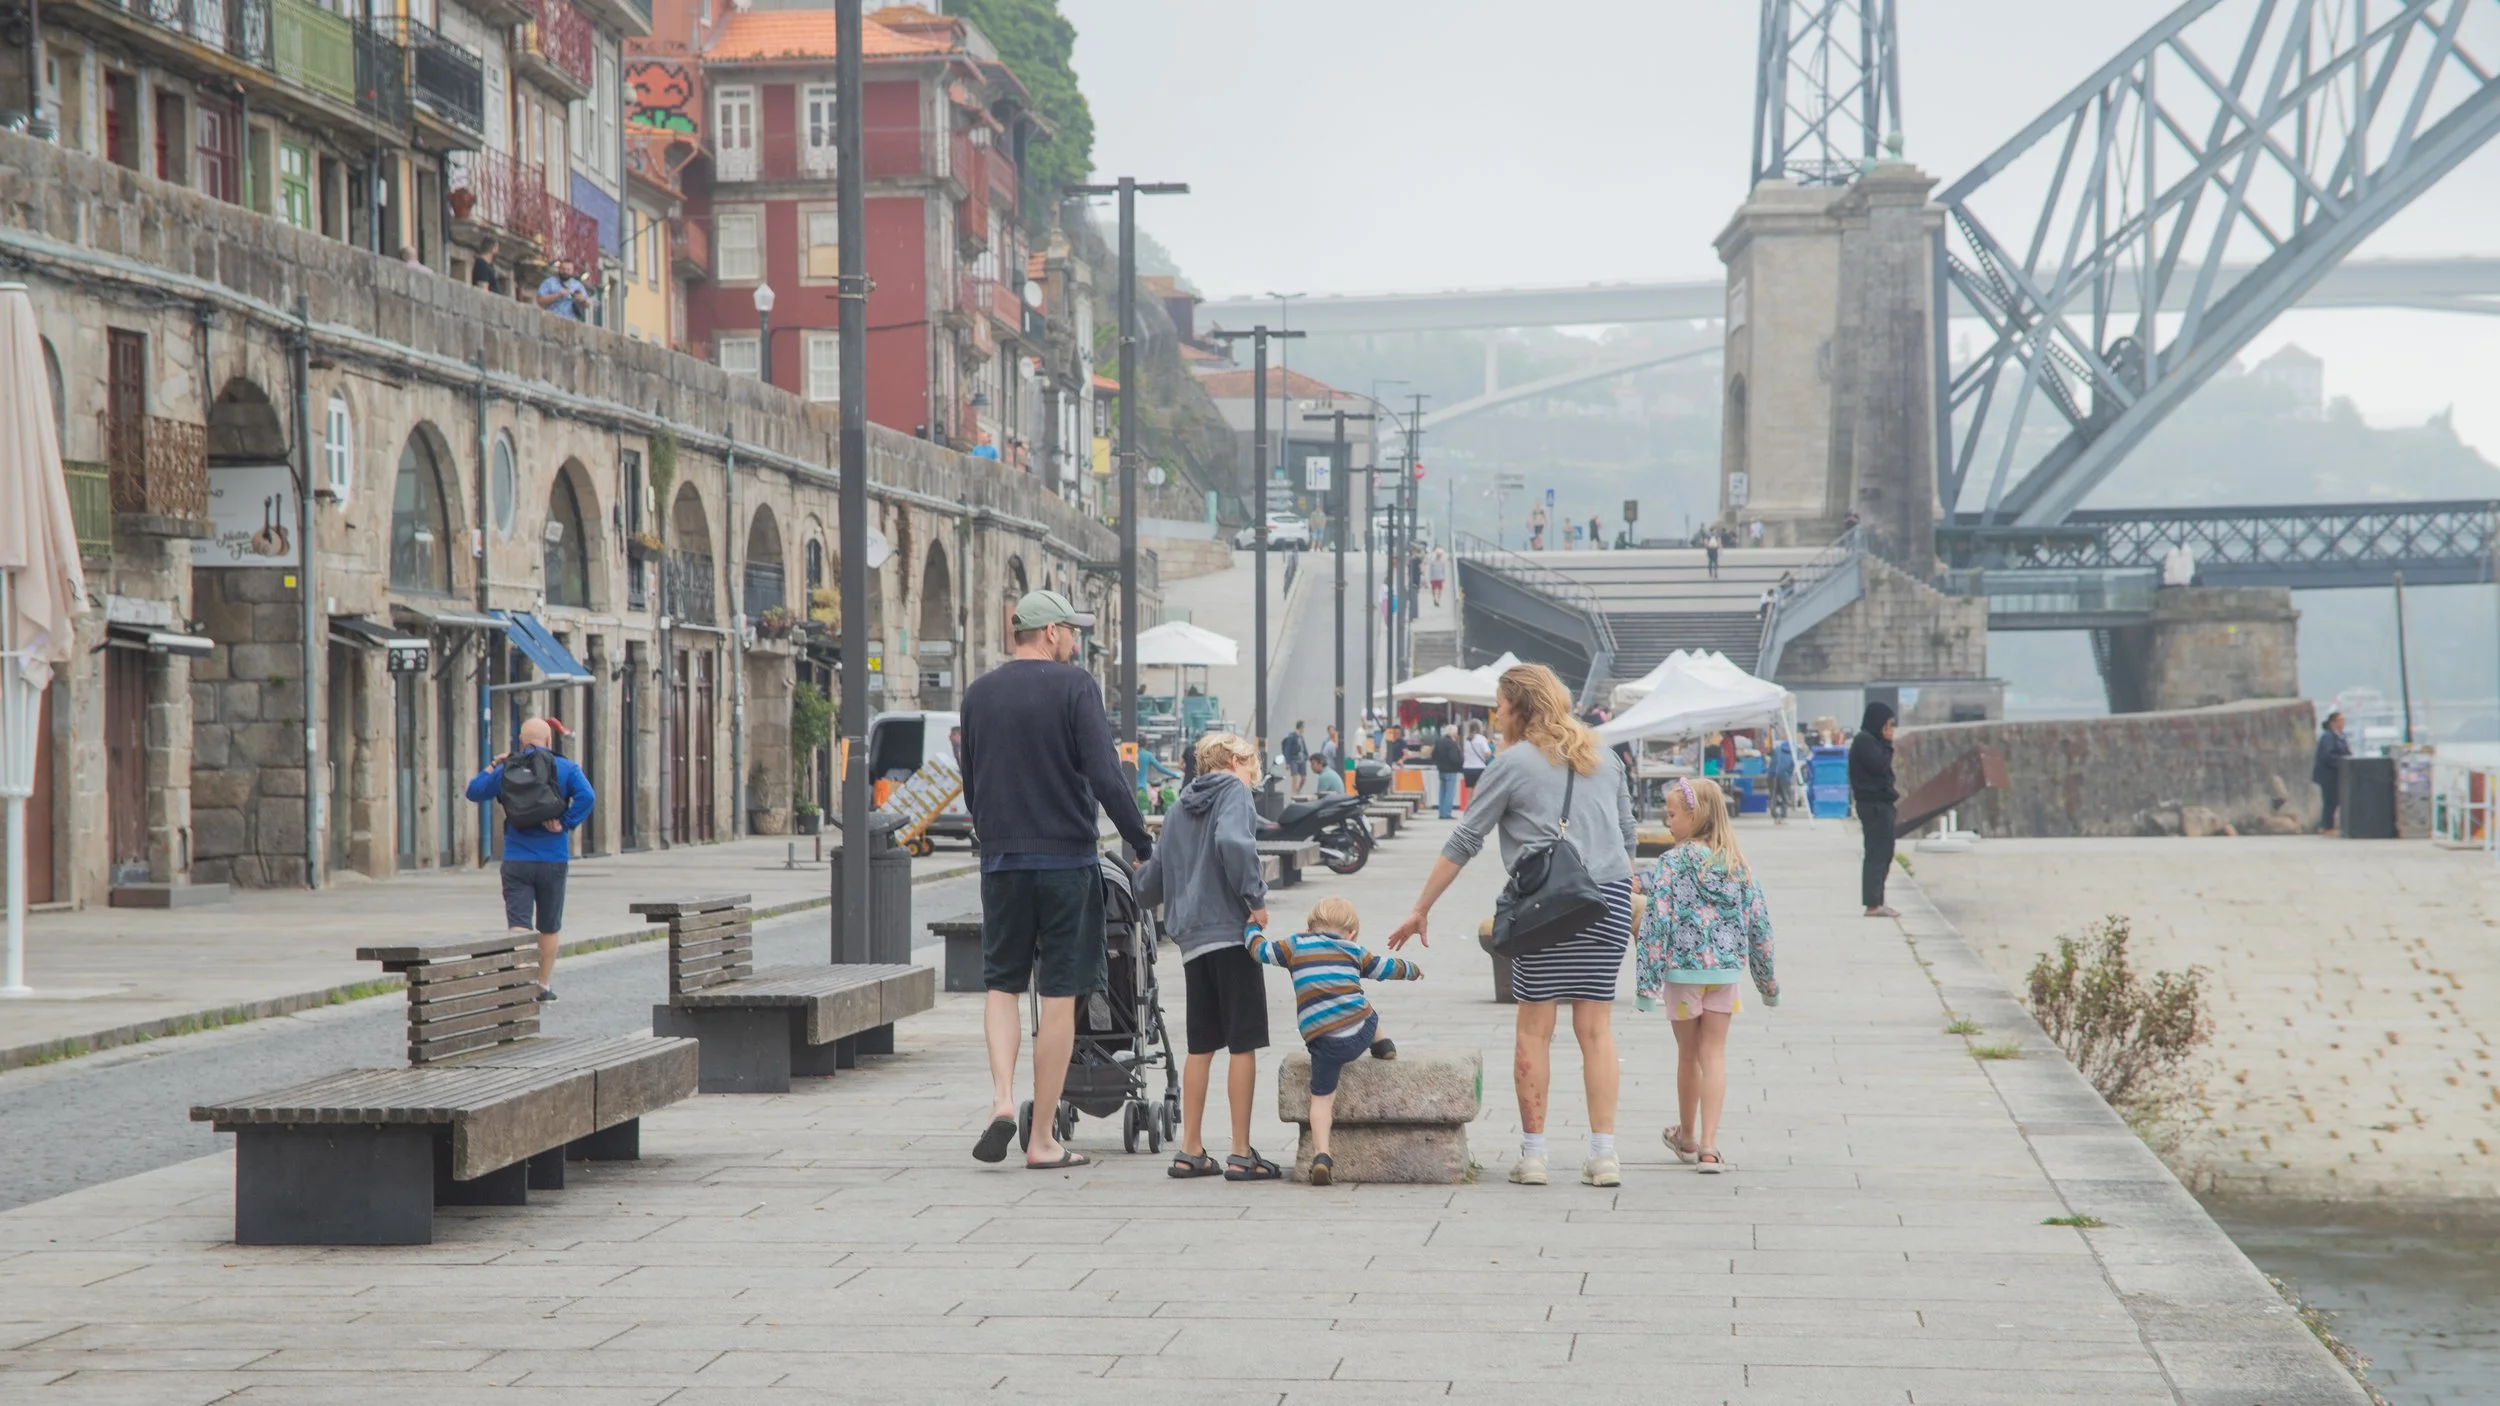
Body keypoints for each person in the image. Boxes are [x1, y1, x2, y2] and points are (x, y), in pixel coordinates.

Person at [1387, 663, 1640, 1188]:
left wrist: (1421, 908)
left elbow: (1464, 841)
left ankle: (1534, 1155)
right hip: (1608, 899)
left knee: (1535, 1027)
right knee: (1596, 1030)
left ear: (1519, 707)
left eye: (1499, 704)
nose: (1495, 712)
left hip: (1546, 906)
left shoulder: (1512, 763)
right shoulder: (1605, 757)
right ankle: (1604, 1154)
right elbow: (1628, 835)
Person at [959, 589, 1155, 1170]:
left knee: (1002, 985)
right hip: (1067, 863)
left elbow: (972, 781)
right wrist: (1139, 842)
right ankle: (1041, 1139)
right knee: (1061, 995)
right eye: (1071, 631)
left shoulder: (979, 694)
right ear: (1049, 634)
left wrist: (996, 832)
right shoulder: (1074, 687)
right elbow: (1105, 774)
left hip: (1002, 862)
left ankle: (1000, 1100)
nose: (1076, 640)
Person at [1136, 732, 1277, 1182]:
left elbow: (1150, 886)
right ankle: (1240, 1152)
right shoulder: (1233, 791)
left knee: (1201, 1045)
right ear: (1235, 760)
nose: (1254, 778)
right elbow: (1236, 843)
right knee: (1243, 1042)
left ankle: (1190, 1149)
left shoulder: (1178, 808)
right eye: (1253, 767)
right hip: (1232, 935)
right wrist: (1255, 898)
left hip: (1192, 942)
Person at [1635, 777, 1778, 1173]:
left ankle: (1686, 1137)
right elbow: (1760, 926)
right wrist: (1768, 985)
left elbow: (1655, 922)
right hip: (1724, 973)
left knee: (1688, 1055)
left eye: (1672, 814)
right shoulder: (1737, 864)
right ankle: (1711, 1148)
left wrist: (1647, 984)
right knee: (1714, 1054)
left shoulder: (1672, 863)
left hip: (1682, 974)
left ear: (1693, 816)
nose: (1667, 821)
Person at [1250, 897, 1420, 1186]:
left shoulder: (1293, 946)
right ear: (1351, 933)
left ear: (1309, 926)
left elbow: (1260, 951)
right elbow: (1385, 968)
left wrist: (1251, 929)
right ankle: (1382, 1044)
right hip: (1358, 1034)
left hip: (1322, 1043)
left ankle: (1322, 1156)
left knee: (1321, 1100)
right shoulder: (1354, 950)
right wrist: (1411, 969)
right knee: (1365, 1007)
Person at [462, 716, 593, 1000]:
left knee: (519, 924)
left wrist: (495, 764)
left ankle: (520, 985)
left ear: (521, 743)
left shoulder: (509, 768)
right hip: (553, 860)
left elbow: (473, 791)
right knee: (549, 925)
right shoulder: (567, 768)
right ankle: (541, 985)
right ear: (549, 741)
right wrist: (566, 822)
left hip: (517, 860)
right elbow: (588, 797)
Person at [1850, 701, 1900, 918]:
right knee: (1876, 853)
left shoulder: (1873, 741)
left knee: (1885, 852)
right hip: (1873, 805)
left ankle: (1878, 898)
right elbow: (1879, 766)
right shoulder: (1864, 741)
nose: (1890, 729)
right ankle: (1872, 903)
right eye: (1888, 724)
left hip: (1882, 803)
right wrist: (1889, 744)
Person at [2314, 710, 2352, 835]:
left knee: (2335, 800)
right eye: (2340, 721)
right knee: (2330, 800)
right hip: (2328, 775)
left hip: (2337, 775)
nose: (2343, 723)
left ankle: (2328, 825)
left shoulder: (2340, 736)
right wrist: (2341, 763)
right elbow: (2328, 756)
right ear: (2333, 723)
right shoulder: (2328, 737)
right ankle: (2326, 826)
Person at [1429, 724, 1465, 820]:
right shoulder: (1452, 744)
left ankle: (1441, 812)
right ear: (1454, 734)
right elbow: (1454, 758)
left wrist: (1438, 763)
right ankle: (1447, 813)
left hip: (1441, 770)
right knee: (1449, 792)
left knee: (1442, 791)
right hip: (1451, 770)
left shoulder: (1439, 741)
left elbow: (1433, 755)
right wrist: (1461, 762)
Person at [1461, 720, 1492, 795]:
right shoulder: (1481, 738)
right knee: (1479, 793)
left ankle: (1469, 806)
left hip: (1467, 768)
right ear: (1479, 728)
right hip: (1479, 768)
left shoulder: (1465, 739)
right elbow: (1487, 753)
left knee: (1469, 794)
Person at [1281, 721, 1309, 797]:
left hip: (1302, 759)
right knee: (1295, 776)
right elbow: (1287, 749)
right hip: (1294, 759)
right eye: (1303, 727)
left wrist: (1307, 756)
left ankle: (1298, 790)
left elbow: (1304, 747)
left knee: (1304, 778)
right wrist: (1287, 762)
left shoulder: (1301, 736)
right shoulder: (1292, 736)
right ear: (1300, 727)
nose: (1304, 729)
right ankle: (1294, 794)